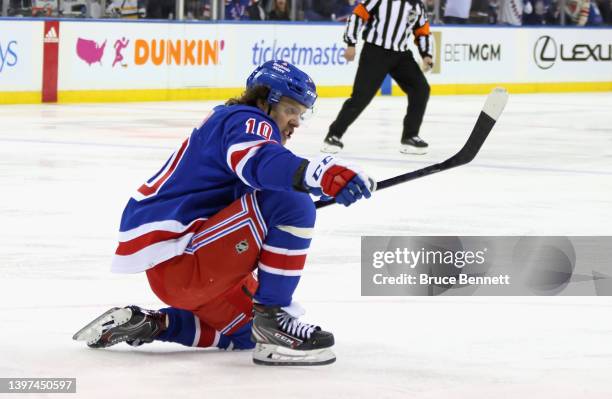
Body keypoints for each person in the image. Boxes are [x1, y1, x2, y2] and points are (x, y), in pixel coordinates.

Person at [73, 61, 376, 366]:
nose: (296, 122)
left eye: (301, 114)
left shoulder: (232, 124)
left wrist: (317, 183)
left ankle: (154, 324)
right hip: (183, 261)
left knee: (247, 335)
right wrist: (318, 175)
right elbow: (262, 162)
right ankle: (272, 317)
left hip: (185, 273)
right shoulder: (245, 118)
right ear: (264, 100)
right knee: (292, 203)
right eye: (290, 110)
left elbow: (261, 176)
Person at [321, 0, 433, 155]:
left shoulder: (416, 5)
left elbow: (423, 30)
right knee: (361, 97)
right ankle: (333, 135)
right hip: (375, 52)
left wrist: (426, 55)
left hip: (401, 55)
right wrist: (351, 43)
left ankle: (410, 136)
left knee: (421, 89)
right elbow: (357, 16)